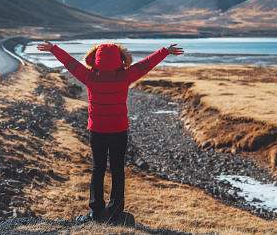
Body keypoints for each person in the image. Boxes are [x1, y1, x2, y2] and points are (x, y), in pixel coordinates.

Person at [36, 40, 184, 223]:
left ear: (94, 59)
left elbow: (70, 62)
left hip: (96, 129)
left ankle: (96, 212)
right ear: (121, 59)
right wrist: (165, 51)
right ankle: (115, 213)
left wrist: (53, 49)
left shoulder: (89, 76)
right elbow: (146, 64)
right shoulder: (125, 76)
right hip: (119, 129)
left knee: (98, 169)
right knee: (117, 170)